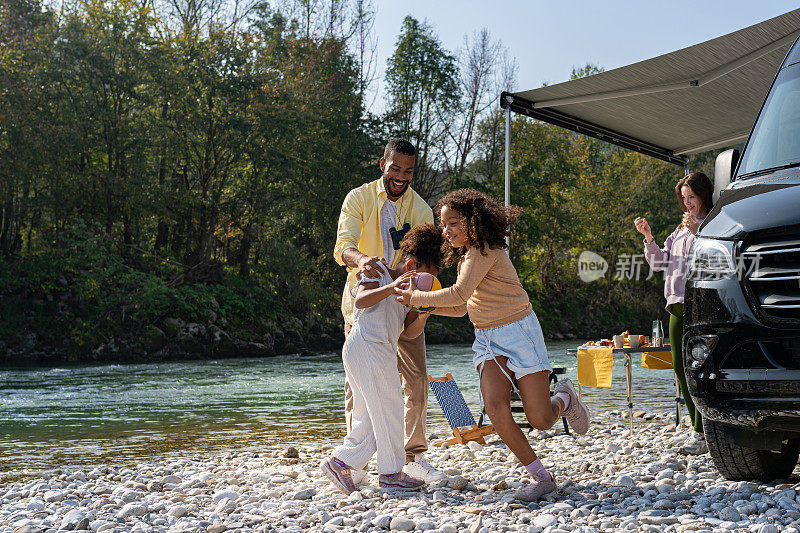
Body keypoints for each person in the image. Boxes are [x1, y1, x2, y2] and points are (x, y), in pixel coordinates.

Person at [395, 189, 591, 502]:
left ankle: (564, 398)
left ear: (472, 222)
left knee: (540, 419)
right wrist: (421, 307)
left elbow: (458, 296)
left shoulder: (484, 252)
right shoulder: (465, 259)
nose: (446, 230)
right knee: (497, 411)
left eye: (453, 223)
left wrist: (415, 298)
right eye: (443, 225)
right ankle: (541, 478)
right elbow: (461, 308)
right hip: (487, 339)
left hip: (519, 332)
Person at [333, 138, 445, 483]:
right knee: (360, 390)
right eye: (395, 168)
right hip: (365, 305)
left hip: (408, 303)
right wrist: (363, 260)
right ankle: (358, 462)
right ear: (383, 164)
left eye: (408, 171)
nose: (401, 177)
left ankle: (412, 456)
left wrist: (422, 306)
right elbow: (343, 247)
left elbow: (429, 260)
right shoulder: (359, 198)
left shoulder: (422, 209)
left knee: (414, 381)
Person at [321, 224, 443, 493]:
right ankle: (390, 473)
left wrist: (422, 312)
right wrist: (392, 286)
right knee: (390, 410)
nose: (426, 283)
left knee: (374, 414)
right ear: (411, 265)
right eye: (426, 277)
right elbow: (361, 300)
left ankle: (341, 461)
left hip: (379, 352)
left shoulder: (409, 294)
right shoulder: (379, 271)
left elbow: (409, 334)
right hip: (365, 346)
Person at [634, 171, 713, 455]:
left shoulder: (712, 225)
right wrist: (648, 238)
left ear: (704, 195)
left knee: (702, 368)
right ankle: (698, 429)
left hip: (702, 304)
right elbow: (659, 264)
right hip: (676, 304)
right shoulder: (679, 230)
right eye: (684, 198)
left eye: (692, 197)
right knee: (681, 368)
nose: (688, 203)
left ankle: (705, 431)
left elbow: (718, 258)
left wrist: (699, 234)